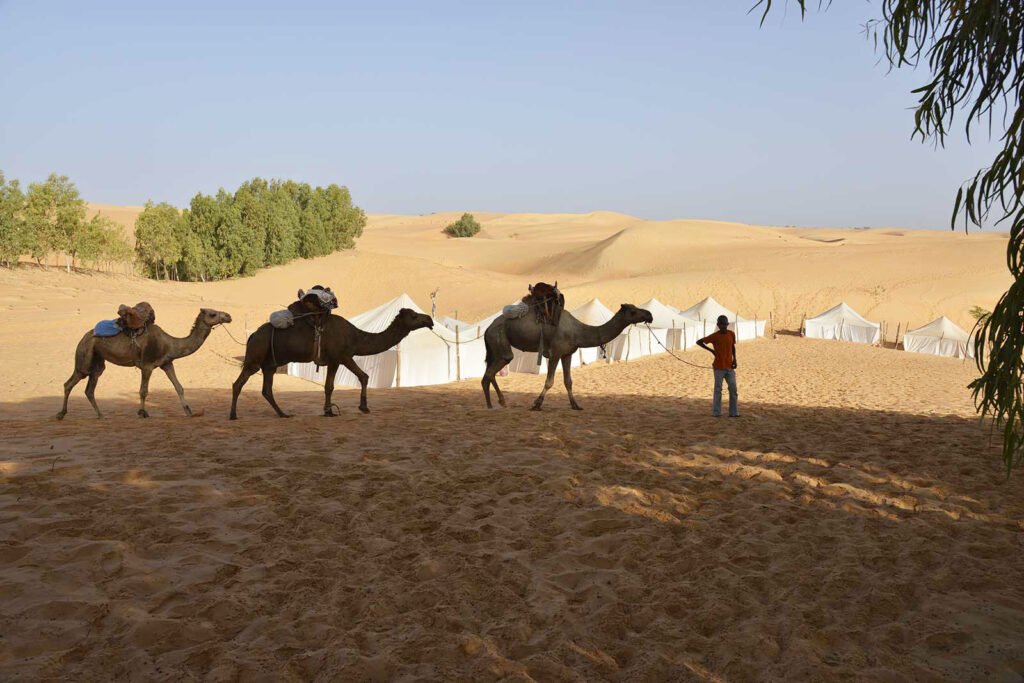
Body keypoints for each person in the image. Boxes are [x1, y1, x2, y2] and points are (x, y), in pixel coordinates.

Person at [697, 315, 739, 417]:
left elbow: (732, 347)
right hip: (718, 367)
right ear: (718, 325)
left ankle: (733, 412)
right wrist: (711, 350)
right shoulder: (714, 336)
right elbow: (699, 342)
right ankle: (716, 412)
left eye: (725, 324)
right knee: (718, 390)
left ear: (727, 324)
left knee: (733, 389)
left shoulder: (731, 334)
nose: (723, 326)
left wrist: (735, 359)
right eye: (721, 324)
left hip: (729, 367)